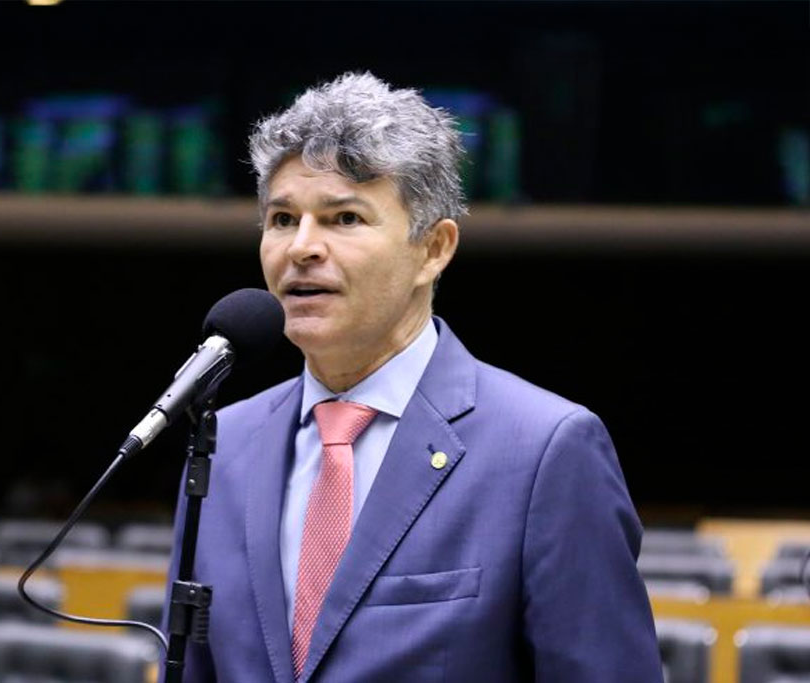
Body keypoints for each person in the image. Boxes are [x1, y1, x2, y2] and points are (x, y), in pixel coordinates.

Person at [166, 72, 663, 683]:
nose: (302, 247)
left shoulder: (545, 450)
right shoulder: (225, 443)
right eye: (282, 219)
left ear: (433, 249)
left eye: (344, 218)